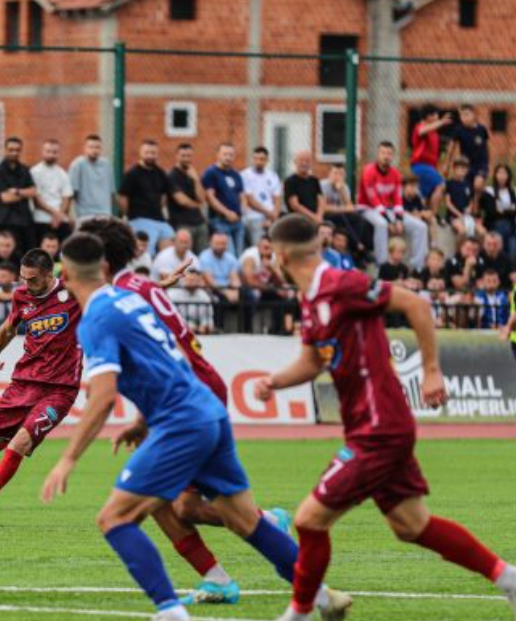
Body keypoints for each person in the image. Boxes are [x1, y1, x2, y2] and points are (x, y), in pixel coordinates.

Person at [41, 233, 348, 621]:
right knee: (244, 520)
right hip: (207, 411)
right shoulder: (133, 299)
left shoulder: (96, 320)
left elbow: (101, 398)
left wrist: (67, 458)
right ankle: (321, 596)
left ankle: (171, 612)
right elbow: (171, 358)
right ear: (104, 268)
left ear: (64, 275)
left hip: (181, 421)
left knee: (115, 518)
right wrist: (141, 420)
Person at [256, 213, 516, 621]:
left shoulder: (341, 285)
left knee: (308, 520)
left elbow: (414, 302)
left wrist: (431, 370)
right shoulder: (312, 300)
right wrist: (273, 381)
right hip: (371, 426)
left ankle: (301, 612)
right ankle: (509, 579)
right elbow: (311, 362)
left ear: (283, 255)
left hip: (380, 427)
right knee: (411, 525)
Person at [78, 216, 292, 605]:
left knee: (171, 503)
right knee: (168, 503)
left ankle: (261, 529)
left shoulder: (117, 299)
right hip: (195, 389)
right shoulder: (136, 285)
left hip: (187, 397)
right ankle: (229, 568)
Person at [0, 249, 80, 527]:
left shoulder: (72, 293)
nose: (27, 285)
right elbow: (7, 328)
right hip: (24, 383)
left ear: (49, 274)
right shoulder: (21, 296)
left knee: (18, 444)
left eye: (33, 279)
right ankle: (25, 432)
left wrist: (158, 287)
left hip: (60, 390)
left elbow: (115, 292)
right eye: (23, 279)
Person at [357, 142, 428, 270]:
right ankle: (383, 266)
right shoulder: (368, 171)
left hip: (387, 210)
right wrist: (390, 221)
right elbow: (374, 201)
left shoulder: (395, 174)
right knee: (382, 224)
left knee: (421, 226)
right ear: (378, 155)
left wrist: (399, 220)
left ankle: (417, 268)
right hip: (367, 208)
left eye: (389, 154)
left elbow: (397, 201)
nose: (386, 156)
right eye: (383, 153)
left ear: (392, 156)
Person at [118, 140, 173, 254]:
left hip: (159, 219)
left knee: (170, 247)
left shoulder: (160, 173)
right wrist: (128, 215)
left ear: (157, 154)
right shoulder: (132, 174)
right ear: (141, 153)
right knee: (148, 251)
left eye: (153, 153)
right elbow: (122, 197)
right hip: (139, 218)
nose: (150, 156)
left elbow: (163, 195)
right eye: (147, 152)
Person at [0, 137, 38, 253]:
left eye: (17, 150)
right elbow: (5, 198)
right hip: (5, 218)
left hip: (24, 218)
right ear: (5, 150)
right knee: (14, 251)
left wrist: (16, 191)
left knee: (32, 249)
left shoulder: (24, 170)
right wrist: (25, 193)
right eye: (11, 150)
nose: (14, 153)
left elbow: (34, 191)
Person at [202, 143, 247, 255]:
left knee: (239, 254)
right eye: (225, 154)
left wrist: (242, 211)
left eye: (231, 155)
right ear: (218, 155)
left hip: (237, 221)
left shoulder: (236, 174)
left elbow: (242, 196)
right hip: (220, 221)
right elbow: (210, 197)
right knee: (229, 254)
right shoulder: (211, 172)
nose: (228, 157)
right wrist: (227, 213)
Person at [320, 162, 369, 259]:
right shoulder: (323, 185)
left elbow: (350, 207)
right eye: (335, 173)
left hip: (340, 215)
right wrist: (343, 209)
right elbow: (324, 207)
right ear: (329, 174)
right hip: (325, 215)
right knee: (341, 217)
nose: (338, 176)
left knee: (359, 219)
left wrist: (341, 191)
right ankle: (357, 245)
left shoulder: (344, 187)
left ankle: (354, 248)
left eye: (341, 174)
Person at [167, 143, 209, 254]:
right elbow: (181, 200)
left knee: (202, 255)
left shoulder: (193, 174)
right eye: (183, 155)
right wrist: (198, 205)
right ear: (177, 156)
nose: (186, 158)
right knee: (185, 256)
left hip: (199, 222)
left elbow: (202, 198)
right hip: (182, 223)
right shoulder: (172, 176)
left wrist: (196, 180)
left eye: (189, 156)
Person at [410, 104, 453, 213]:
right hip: (420, 166)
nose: (437, 117)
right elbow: (421, 131)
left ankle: (425, 216)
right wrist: (441, 122)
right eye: (434, 114)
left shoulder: (434, 132)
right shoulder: (420, 126)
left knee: (426, 195)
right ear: (428, 116)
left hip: (430, 167)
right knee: (441, 185)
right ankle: (433, 215)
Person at [30, 139, 73, 243]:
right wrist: (56, 214)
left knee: (64, 252)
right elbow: (37, 200)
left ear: (58, 154)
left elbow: (66, 198)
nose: (51, 154)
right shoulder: (34, 172)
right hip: (41, 219)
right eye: (48, 151)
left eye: (54, 152)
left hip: (61, 220)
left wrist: (59, 215)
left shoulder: (62, 173)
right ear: (42, 152)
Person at [241, 146, 282, 247]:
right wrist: (269, 214)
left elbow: (277, 198)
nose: (258, 162)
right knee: (259, 247)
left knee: (275, 245)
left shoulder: (273, 175)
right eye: (256, 159)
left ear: (267, 160)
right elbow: (250, 200)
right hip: (253, 216)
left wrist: (274, 216)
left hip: (271, 217)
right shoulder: (245, 175)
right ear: (252, 159)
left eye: (262, 159)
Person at [68, 134, 114, 221]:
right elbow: (71, 193)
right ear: (84, 148)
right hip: (84, 215)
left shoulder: (107, 165)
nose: (94, 150)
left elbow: (111, 192)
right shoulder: (77, 164)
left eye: (97, 147)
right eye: (91, 147)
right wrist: (70, 215)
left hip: (105, 214)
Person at [450, 104, 490, 197]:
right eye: (462, 115)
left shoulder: (482, 129)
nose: (464, 118)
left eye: (467, 114)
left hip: (481, 165)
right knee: (468, 190)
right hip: (466, 165)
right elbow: (451, 147)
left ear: (474, 115)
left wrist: (488, 163)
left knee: (477, 185)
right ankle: (471, 209)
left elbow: (486, 147)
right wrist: (447, 165)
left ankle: (476, 210)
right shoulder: (459, 130)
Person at [482, 164, 516, 261]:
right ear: (495, 175)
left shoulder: (513, 191)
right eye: (499, 173)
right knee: (503, 226)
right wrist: (509, 209)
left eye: (504, 173)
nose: (501, 176)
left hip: (512, 227)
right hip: (494, 226)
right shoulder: (489, 191)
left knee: (513, 247)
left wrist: (502, 210)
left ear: (508, 176)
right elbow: (491, 212)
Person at [198, 232, 241, 304]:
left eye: (223, 243)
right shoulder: (204, 256)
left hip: (229, 287)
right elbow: (210, 281)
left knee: (248, 295)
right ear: (211, 243)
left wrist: (236, 291)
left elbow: (234, 278)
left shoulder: (231, 258)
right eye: (217, 243)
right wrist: (227, 293)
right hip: (213, 289)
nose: (220, 246)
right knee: (219, 299)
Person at [444, 157, 479, 239]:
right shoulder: (449, 183)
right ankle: (459, 251)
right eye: (460, 168)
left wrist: (469, 208)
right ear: (454, 169)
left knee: (482, 232)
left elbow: (471, 200)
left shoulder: (468, 184)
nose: (462, 171)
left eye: (465, 168)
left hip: (467, 216)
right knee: (463, 232)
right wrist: (459, 215)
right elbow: (448, 203)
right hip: (454, 216)